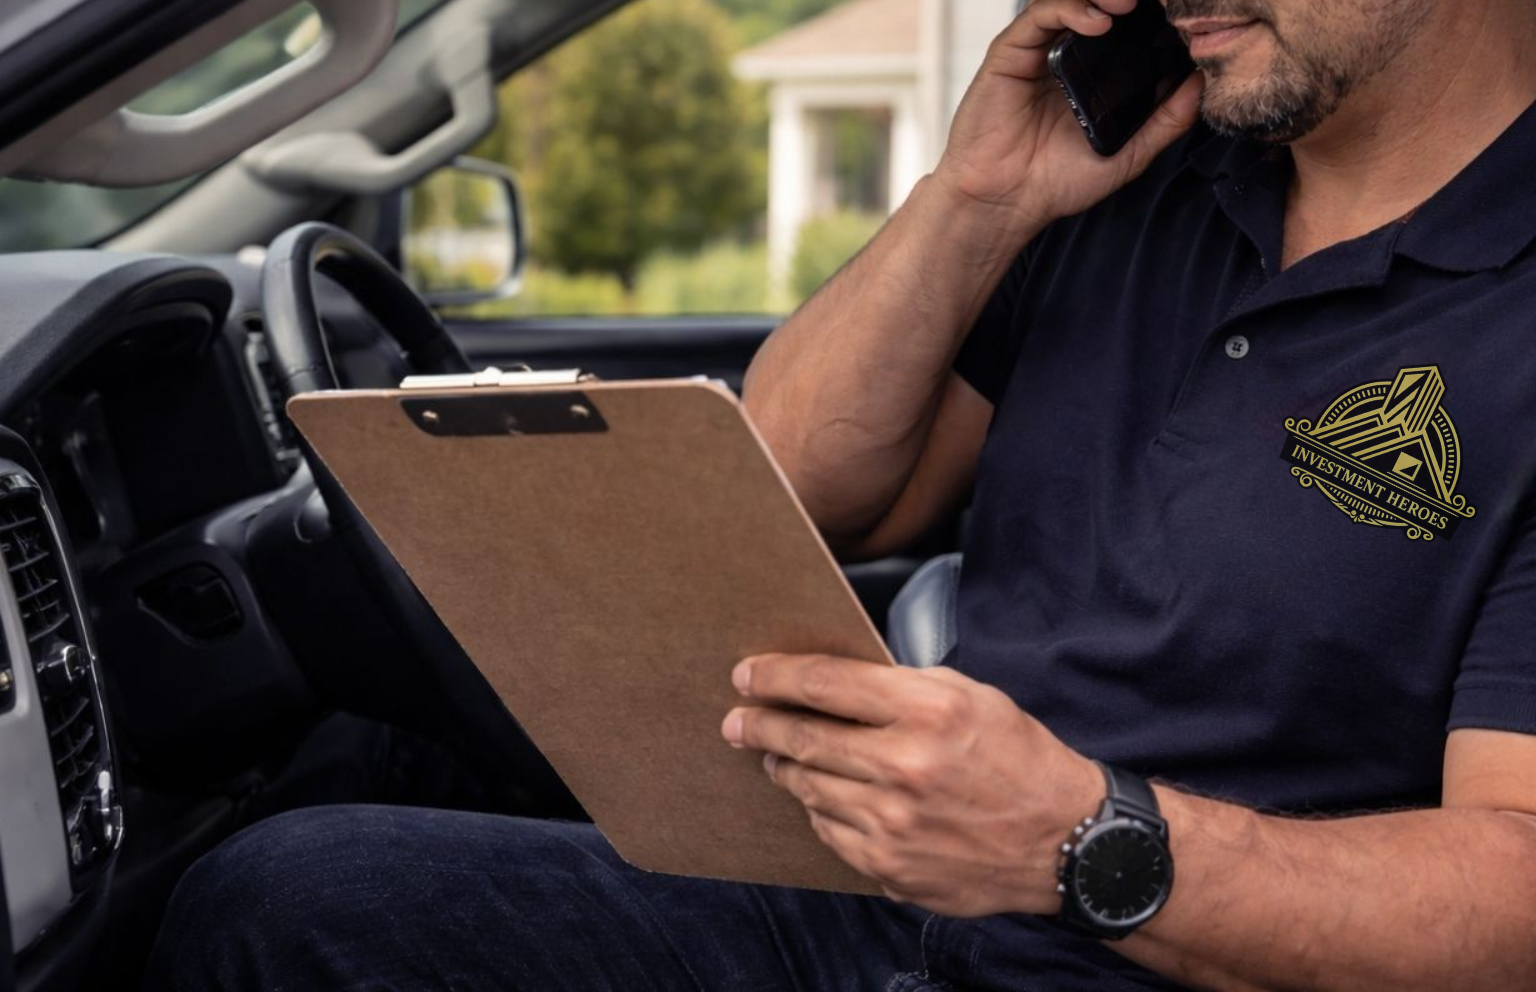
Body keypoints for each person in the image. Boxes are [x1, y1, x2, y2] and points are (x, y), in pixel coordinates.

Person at [145, 0, 1536, 988]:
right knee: (288, 894)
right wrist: (977, 197)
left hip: (1157, 947)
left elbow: (1514, 896)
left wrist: (1081, 837)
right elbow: (807, 490)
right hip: (874, 908)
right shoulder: (1144, 180)